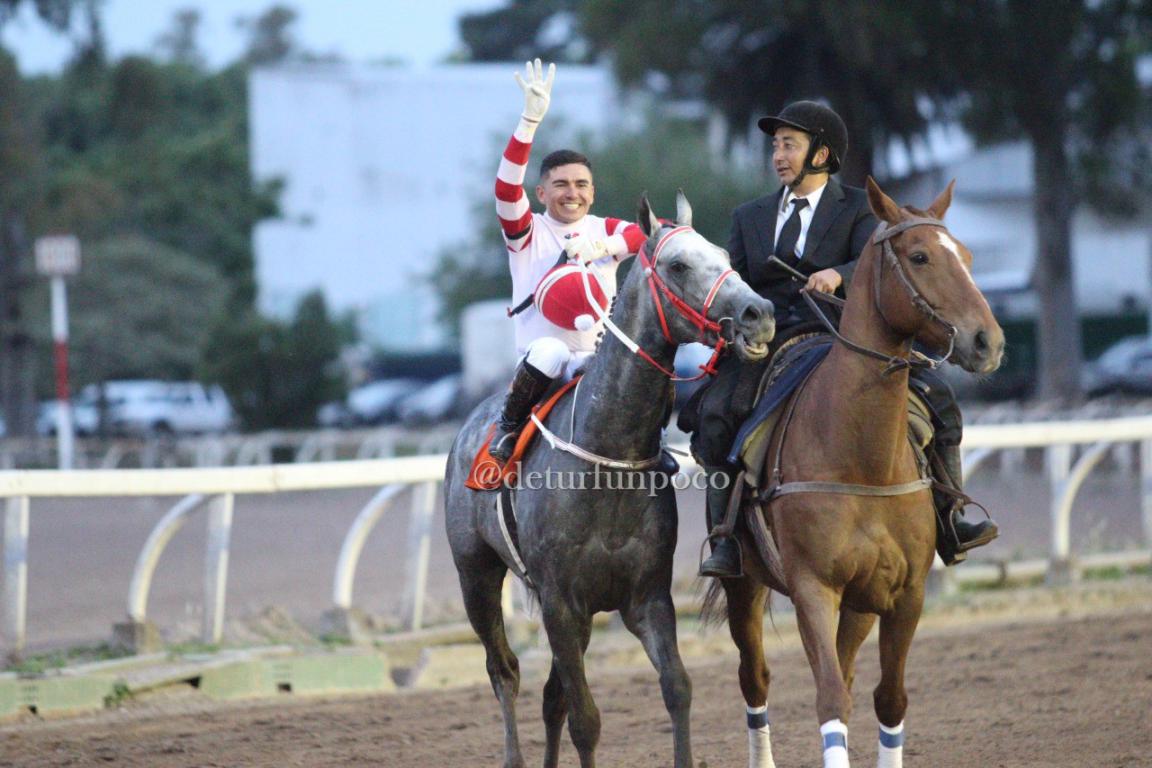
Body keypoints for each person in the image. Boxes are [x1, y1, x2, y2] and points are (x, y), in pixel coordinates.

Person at [691, 100, 998, 578]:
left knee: (939, 400)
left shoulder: (860, 207)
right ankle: (725, 539)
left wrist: (839, 273)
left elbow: (883, 267)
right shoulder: (748, 215)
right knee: (714, 412)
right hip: (773, 340)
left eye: (789, 145)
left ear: (821, 154)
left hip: (843, 334)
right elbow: (738, 284)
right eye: (776, 146)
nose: (778, 155)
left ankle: (951, 516)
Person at [487, 59, 646, 462]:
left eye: (580, 185)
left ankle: (654, 448)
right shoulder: (527, 231)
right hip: (543, 362)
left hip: (598, 361)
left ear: (592, 192)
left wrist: (603, 249)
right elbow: (506, 189)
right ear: (542, 192)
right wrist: (528, 123)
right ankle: (509, 427)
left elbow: (654, 231)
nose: (571, 193)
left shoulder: (604, 227)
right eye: (560, 184)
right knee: (551, 352)